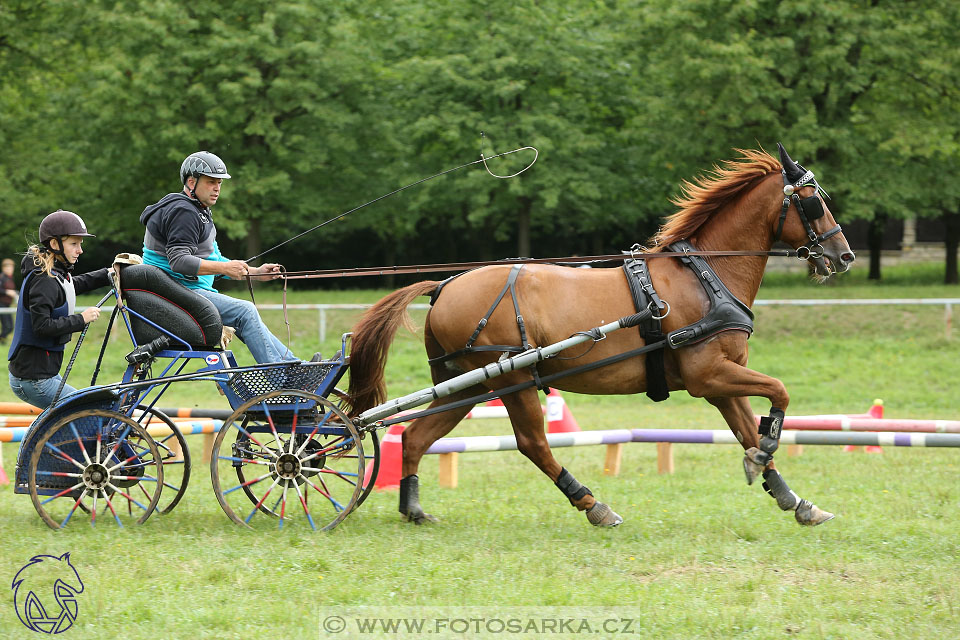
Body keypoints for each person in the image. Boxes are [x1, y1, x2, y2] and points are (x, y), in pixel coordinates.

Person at [140, 151, 316, 363]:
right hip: (176, 293)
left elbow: (213, 260)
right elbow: (179, 261)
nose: (217, 188)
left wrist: (254, 273)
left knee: (245, 313)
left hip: (186, 291)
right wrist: (224, 269)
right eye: (211, 182)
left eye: (220, 183)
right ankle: (283, 374)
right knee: (245, 311)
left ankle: (294, 367)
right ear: (191, 181)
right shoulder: (183, 212)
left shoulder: (198, 211)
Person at [8, 211, 112, 409]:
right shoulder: (44, 279)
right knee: (88, 409)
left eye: (80, 244)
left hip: (42, 374)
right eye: (74, 244)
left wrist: (108, 273)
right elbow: (42, 326)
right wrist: (81, 319)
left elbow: (73, 286)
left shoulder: (54, 274)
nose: (80, 250)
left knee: (83, 412)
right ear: (55, 244)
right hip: (33, 380)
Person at [0, 258, 16, 343]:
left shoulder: (10, 278)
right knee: (7, 326)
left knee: (10, 326)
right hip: (1, 304)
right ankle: (2, 339)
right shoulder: (2, 278)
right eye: (8, 268)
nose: (10, 270)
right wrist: (7, 292)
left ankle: (2, 339)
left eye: (11, 268)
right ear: (3, 268)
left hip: (7, 305)